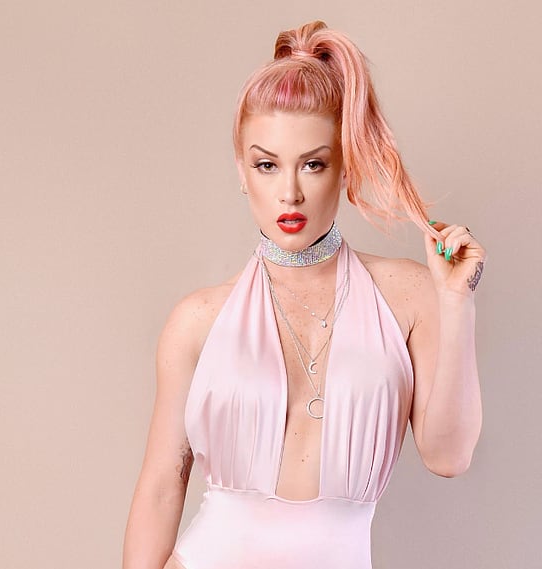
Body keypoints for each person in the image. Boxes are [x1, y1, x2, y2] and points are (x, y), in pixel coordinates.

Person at [122, 20, 485, 569]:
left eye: (313, 164)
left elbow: (449, 456)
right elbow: (160, 487)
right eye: (266, 165)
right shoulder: (197, 320)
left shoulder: (409, 295)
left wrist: (456, 303)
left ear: (345, 168)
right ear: (242, 172)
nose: (289, 192)